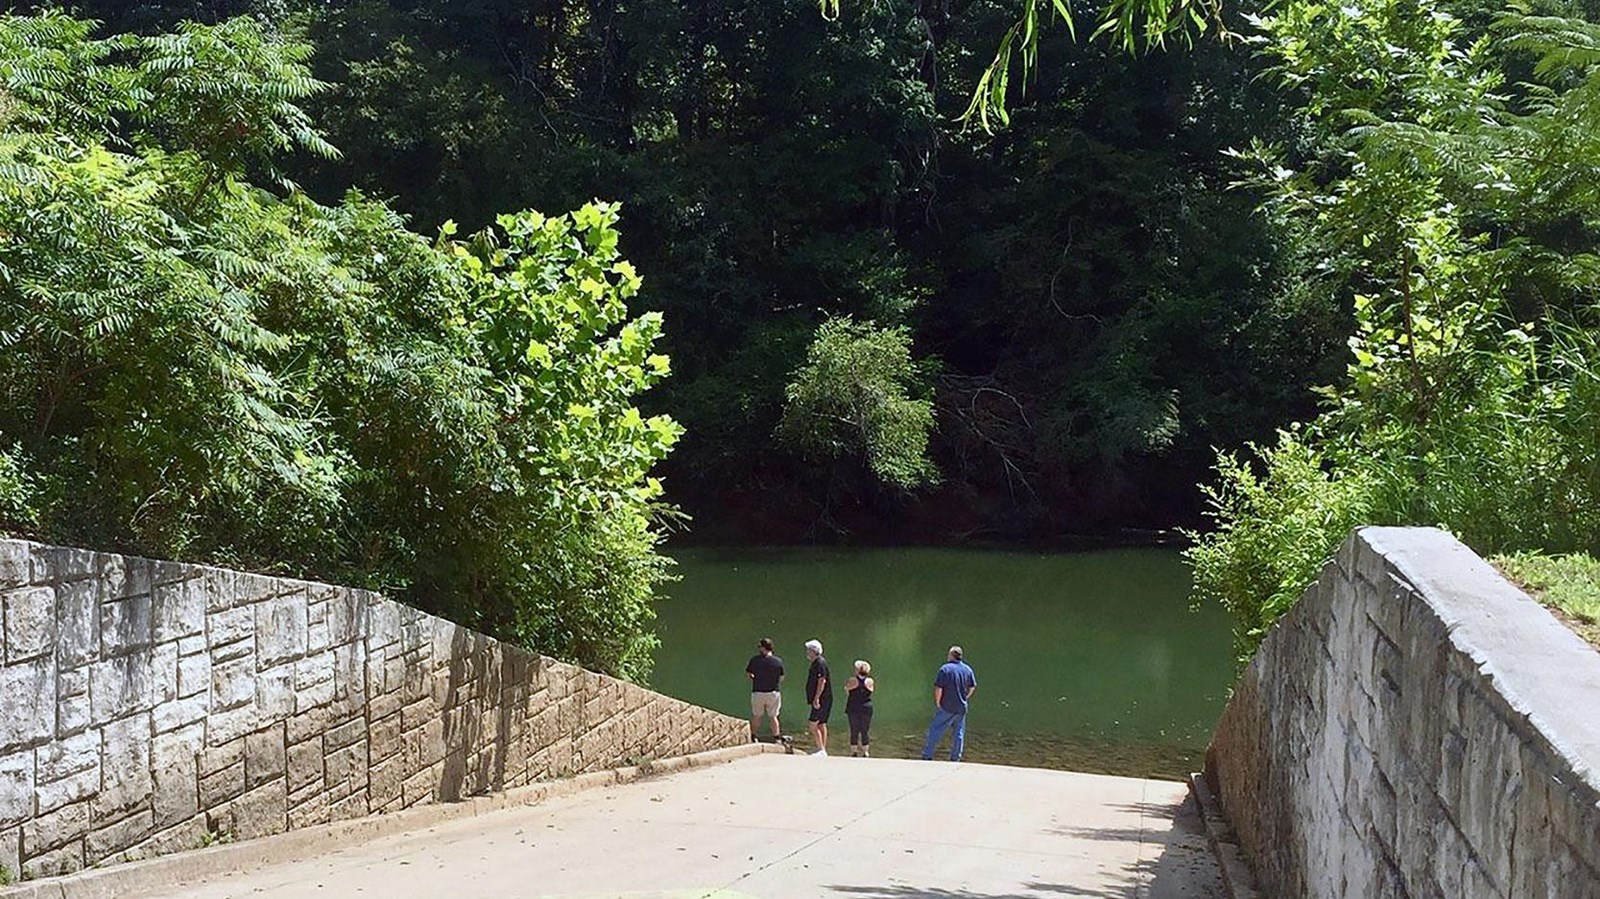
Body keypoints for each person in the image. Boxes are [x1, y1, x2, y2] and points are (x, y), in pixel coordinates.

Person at [921, 645, 977, 761]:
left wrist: (938, 702)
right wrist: (965, 697)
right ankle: (955, 757)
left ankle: (927, 755)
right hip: (961, 707)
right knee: (958, 734)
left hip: (947, 706)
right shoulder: (968, 669)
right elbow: (972, 687)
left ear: (951, 655)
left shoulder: (945, 669)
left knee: (935, 730)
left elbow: (939, 688)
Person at [745, 637, 784, 742]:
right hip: (773, 693)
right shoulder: (778, 661)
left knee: (757, 716)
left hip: (758, 692)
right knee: (773, 716)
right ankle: (776, 737)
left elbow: (749, 674)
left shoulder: (755, 660)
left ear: (764, 648)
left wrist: (755, 678)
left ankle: (753, 736)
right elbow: (781, 677)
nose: (759, 649)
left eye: (760, 647)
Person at [803, 639, 832, 755]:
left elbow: (822, 681)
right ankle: (822, 749)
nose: (807, 653)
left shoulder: (819, 663)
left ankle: (821, 749)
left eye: (808, 650)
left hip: (821, 699)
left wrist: (816, 698)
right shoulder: (818, 662)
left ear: (814, 651)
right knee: (821, 723)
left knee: (812, 724)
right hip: (824, 698)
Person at [844, 659, 875, 757]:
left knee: (854, 729)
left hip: (853, 706)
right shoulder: (870, 681)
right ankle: (865, 751)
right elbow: (871, 691)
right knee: (865, 730)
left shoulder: (853, 680)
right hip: (867, 707)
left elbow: (847, 689)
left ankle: (854, 751)